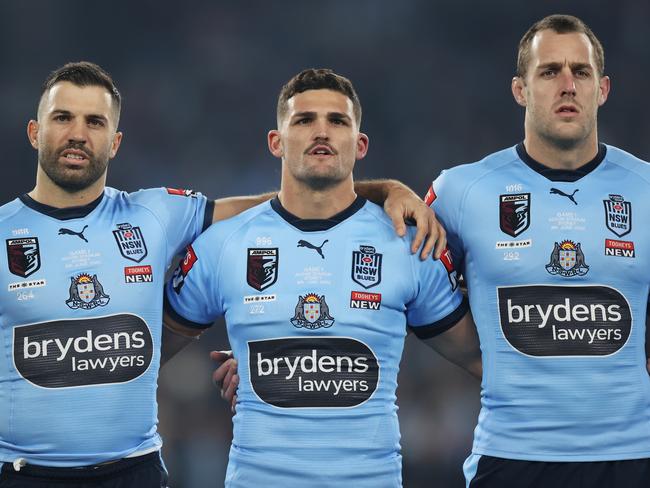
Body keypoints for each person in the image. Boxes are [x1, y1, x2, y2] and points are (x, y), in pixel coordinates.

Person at [0, 61, 445, 488]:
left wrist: (386, 189)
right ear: (35, 132)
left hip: (133, 471)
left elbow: (292, 200)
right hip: (22, 472)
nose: (78, 134)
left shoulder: (156, 213)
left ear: (115, 142)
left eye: (95, 122)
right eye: (63, 117)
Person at [163, 68, 481, 487]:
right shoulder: (222, 245)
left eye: (338, 121)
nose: (322, 131)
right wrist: (262, 370)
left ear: (360, 144)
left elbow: (483, 359)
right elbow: (139, 359)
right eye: (304, 120)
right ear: (276, 142)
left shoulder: (409, 244)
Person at [426, 14, 650, 487]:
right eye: (549, 72)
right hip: (511, 459)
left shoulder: (646, 189)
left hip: (633, 459)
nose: (567, 85)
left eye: (581, 72)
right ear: (520, 90)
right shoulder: (460, 191)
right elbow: (385, 282)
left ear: (602, 89)